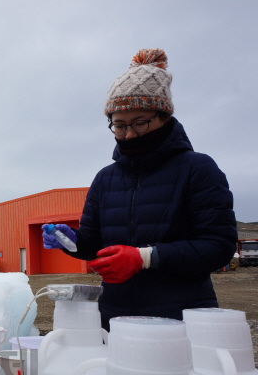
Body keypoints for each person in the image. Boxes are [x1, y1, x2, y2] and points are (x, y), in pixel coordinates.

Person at [42, 49, 237, 331]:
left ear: (164, 117)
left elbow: (219, 246)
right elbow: (95, 246)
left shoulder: (197, 169)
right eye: (119, 126)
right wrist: (70, 242)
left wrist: (144, 257)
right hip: (114, 318)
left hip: (182, 319)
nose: (129, 135)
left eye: (139, 123)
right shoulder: (105, 179)